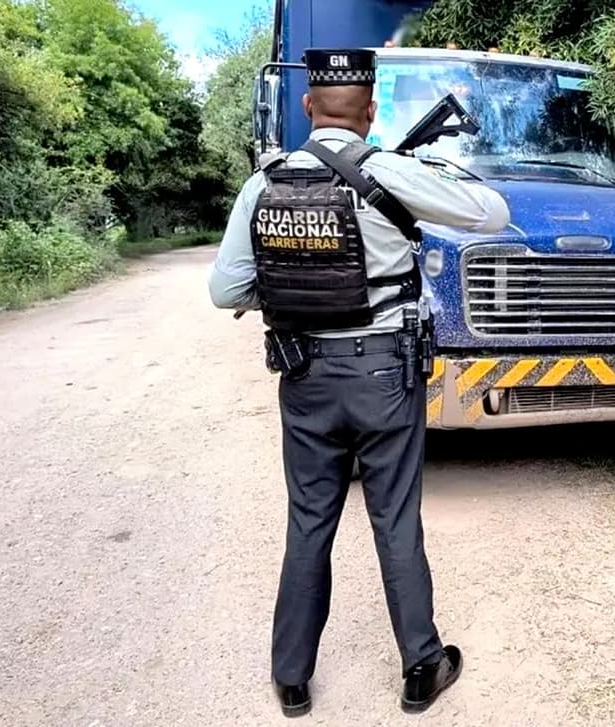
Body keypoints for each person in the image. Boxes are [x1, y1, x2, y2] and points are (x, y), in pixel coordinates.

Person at [207, 48, 510, 717]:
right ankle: (421, 667)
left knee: (309, 521)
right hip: (384, 372)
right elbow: (489, 214)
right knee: (394, 519)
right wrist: (423, 177)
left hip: (305, 374)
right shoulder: (390, 171)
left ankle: (291, 678)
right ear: (370, 112)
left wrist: (290, 284)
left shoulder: (265, 185)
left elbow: (224, 287)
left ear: (309, 107)